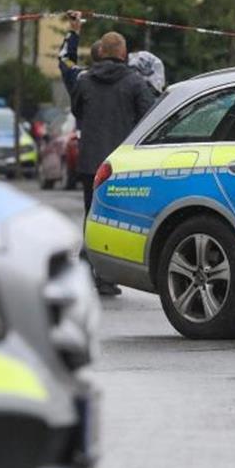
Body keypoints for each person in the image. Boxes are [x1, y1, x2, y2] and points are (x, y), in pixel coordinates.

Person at [68, 26, 158, 296]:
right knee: (115, 218)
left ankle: (85, 269)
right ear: (123, 53)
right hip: (121, 164)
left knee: (91, 213)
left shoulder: (84, 80)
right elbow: (149, 115)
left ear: (100, 52)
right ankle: (105, 275)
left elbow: (77, 110)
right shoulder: (134, 82)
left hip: (89, 160)